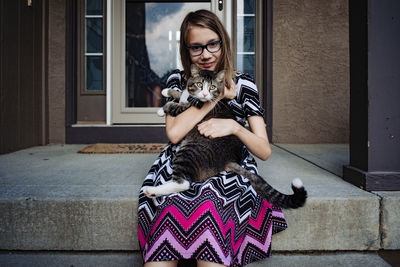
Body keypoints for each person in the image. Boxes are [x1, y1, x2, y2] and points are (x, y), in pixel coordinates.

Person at [138, 9, 287, 267]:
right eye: (196, 48)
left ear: (223, 42)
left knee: (211, 204)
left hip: (227, 163)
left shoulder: (244, 84)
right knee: (172, 208)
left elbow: (264, 150)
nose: (205, 54)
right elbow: (174, 134)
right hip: (183, 160)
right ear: (186, 50)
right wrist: (215, 97)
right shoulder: (179, 79)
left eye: (212, 44)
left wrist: (234, 127)